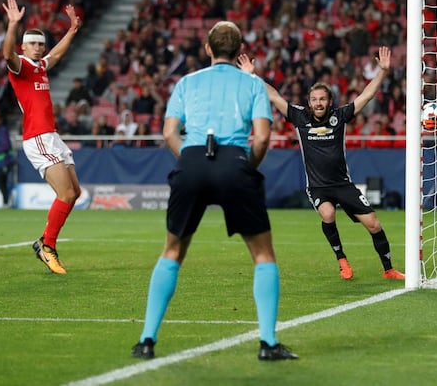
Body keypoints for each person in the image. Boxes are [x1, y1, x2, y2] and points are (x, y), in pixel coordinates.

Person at [132, 21, 297, 362]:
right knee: (263, 255)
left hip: (192, 160)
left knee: (172, 251)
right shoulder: (252, 84)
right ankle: (267, 343)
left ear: (207, 48)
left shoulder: (186, 83)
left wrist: (190, 158)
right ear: (240, 52)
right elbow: (263, 138)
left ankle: (147, 339)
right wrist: (246, 166)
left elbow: (168, 132)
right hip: (234, 162)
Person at [239, 46, 405, 281]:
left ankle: (388, 269)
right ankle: (342, 261)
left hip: (343, 184)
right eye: (314, 99)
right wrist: (251, 75)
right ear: (309, 102)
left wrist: (383, 72)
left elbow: (366, 96)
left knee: (374, 224)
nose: (318, 103)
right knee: (327, 215)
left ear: (330, 101)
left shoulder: (340, 116)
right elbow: (274, 95)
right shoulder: (300, 117)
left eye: (322, 99)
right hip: (318, 186)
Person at [2, 0, 82, 275]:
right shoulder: (21, 66)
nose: (38, 48)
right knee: (67, 193)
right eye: (33, 44)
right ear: (24, 46)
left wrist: (71, 31)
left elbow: (57, 55)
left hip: (52, 136)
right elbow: (7, 54)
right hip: (37, 137)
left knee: (75, 193)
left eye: (40, 44)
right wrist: (12, 25)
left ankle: (44, 243)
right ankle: (47, 247)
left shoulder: (40, 67)